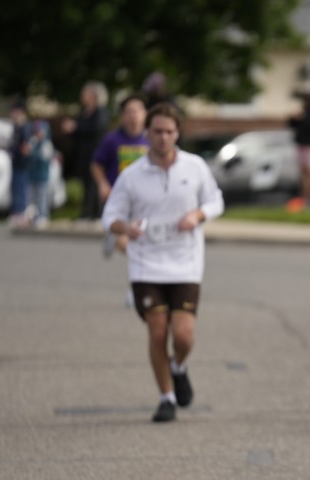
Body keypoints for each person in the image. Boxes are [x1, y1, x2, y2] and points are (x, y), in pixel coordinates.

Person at [101, 103, 224, 423]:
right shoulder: (132, 175)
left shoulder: (195, 167)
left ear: (177, 133)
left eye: (169, 131)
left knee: (182, 336)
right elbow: (110, 216)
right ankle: (166, 397)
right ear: (148, 133)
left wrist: (197, 215)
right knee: (158, 333)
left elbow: (216, 200)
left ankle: (178, 366)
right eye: (157, 131)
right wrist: (125, 228)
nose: (163, 137)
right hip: (146, 265)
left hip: (185, 263)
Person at [93, 94, 149, 257]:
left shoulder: (151, 139)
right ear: (123, 115)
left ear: (145, 114)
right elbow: (96, 164)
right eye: (130, 111)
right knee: (125, 243)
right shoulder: (112, 140)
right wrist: (103, 184)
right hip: (120, 197)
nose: (134, 115)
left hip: (144, 197)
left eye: (138, 111)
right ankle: (115, 236)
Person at [61, 81, 109, 220]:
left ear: (94, 96)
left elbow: (95, 129)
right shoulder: (85, 113)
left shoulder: (100, 112)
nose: (82, 97)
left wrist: (76, 126)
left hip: (94, 154)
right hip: (83, 155)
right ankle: (87, 212)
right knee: (86, 184)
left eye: (85, 94)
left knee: (93, 184)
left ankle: (95, 213)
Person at [289, 91, 310, 209]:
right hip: (302, 144)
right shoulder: (304, 112)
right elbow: (292, 124)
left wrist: (302, 118)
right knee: (304, 174)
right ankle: (305, 200)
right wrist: (296, 118)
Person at [7, 100, 32, 228]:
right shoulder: (16, 126)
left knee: (21, 188)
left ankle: (22, 214)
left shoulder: (25, 126)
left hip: (22, 163)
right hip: (16, 162)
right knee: (15, 188)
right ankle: (17, 213)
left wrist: (24, 151)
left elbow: (26, 146)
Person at [25, 119, 54, 228]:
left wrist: (32, 154)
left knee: (42, 197)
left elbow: (44, 158)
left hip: (42, 176)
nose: (38, 134)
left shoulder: (47, 144)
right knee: (31, 198)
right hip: (32, 175)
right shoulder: (33, 141)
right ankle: (33, 217)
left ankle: (43, 216)